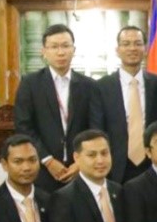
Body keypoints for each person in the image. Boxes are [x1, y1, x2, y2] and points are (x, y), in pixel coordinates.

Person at [12, 23, 95, 193]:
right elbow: (23, 126)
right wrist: (48, 160)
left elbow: (95, 127)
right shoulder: (30, 84)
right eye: (54, 47)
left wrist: (80, 161)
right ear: (44, 51)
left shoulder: (89, 86)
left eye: (65, 46)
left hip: (81, 169)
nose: (60, 52)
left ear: (74, 50)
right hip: (42, 170)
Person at [91, 25, 157, 184]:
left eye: (138, 43)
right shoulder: (101, 87)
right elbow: (97, 128)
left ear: (145, 49)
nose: (132, 48)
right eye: (126, 44)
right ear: (117, 50)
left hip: (152, 163)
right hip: (115, 166)